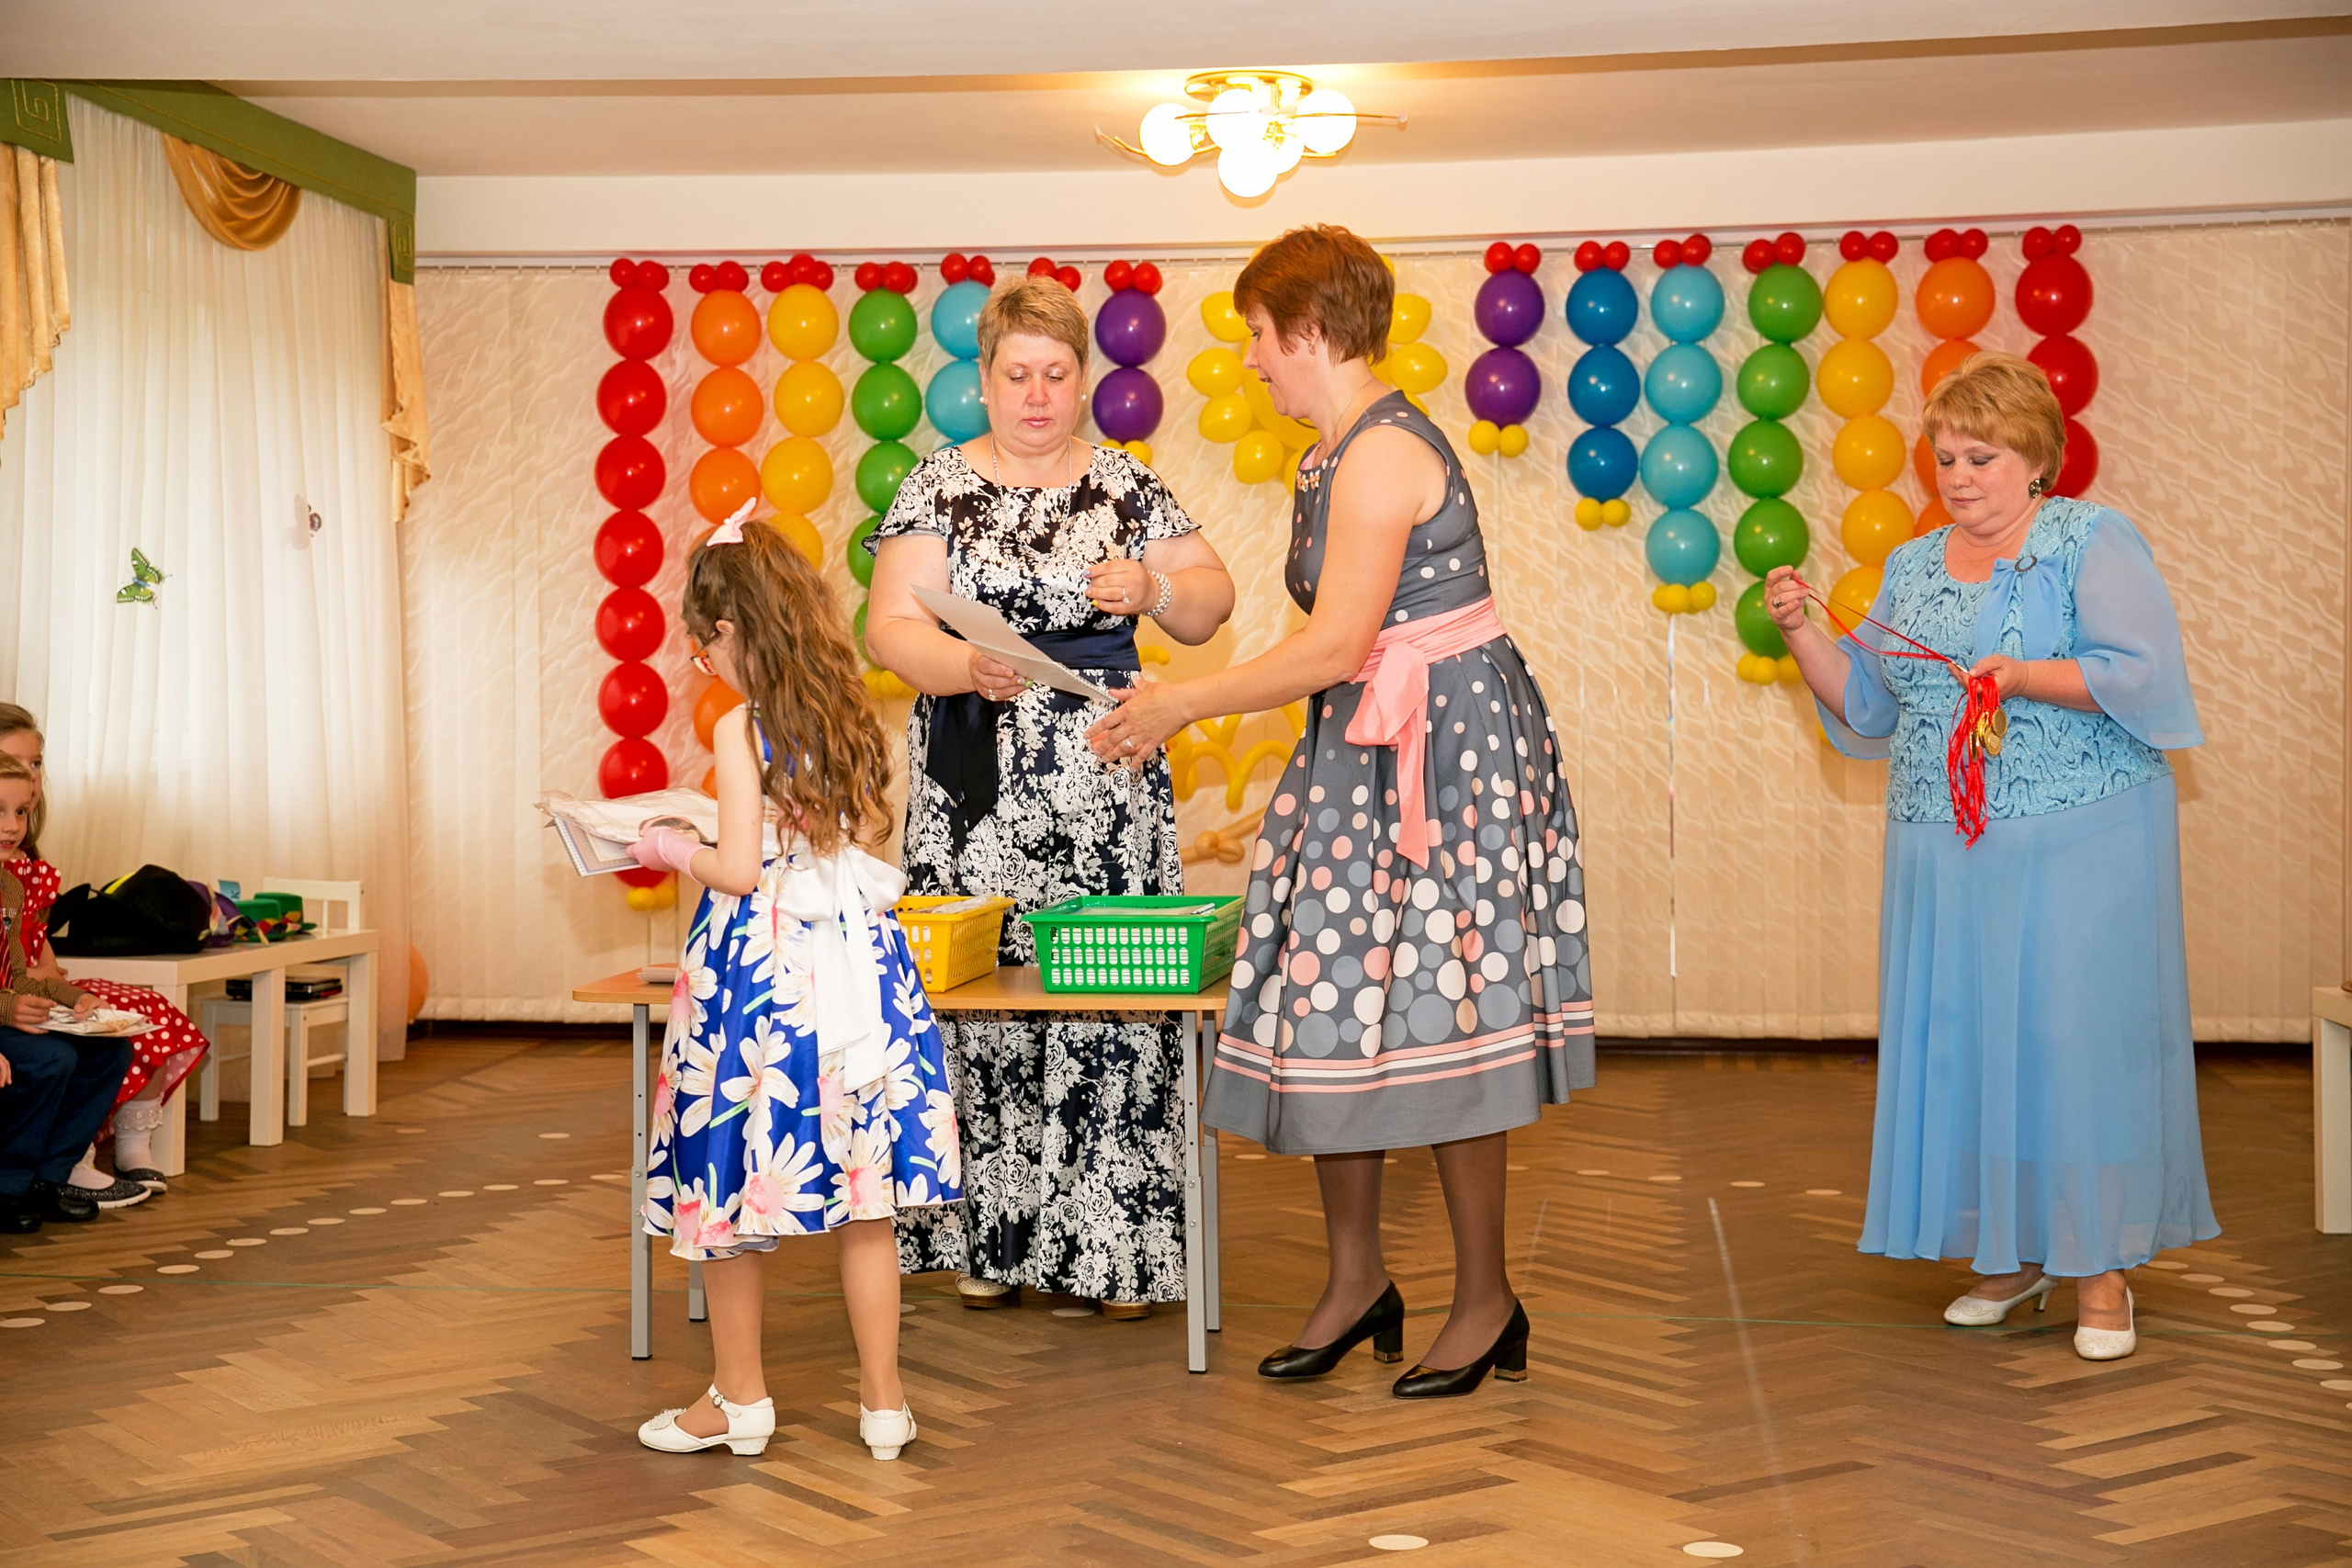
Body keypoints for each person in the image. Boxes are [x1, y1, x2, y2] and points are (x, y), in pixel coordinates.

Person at [1086, 225, 1594, 1397]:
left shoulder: (1377, 456)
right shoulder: (1325, 458)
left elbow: (1337, 642)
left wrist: (1182, 705)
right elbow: (1335, 652)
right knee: (1331, 997)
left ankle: (1485, 1299)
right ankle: (1356, 1278)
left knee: (1447, 1012)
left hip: (1443, 759)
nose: (1253, 362)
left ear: (1306, 332)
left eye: (1260, 339)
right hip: (1361, 745)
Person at [1764, 350, 2215, 1361]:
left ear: (2035, 458)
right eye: (1945, 458)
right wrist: (1800, 633)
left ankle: (2099, 1271)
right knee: (1971, 1044)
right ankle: (2011, 1254)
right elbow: (1870, 707)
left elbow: (2140, 674)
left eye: (1980, 457)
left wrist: (2023, 675)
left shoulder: (2086, 540)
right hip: (1944, 844)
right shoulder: (1912, 566)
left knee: (2071, 1043)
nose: (1958, 476)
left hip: (2080, 839)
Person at [865, 274, 1235, 1318]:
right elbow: (888, 628)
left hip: (1107, 782)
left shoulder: (1127, 483)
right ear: (983, 381)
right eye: (1016, 375)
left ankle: (1111, 1253)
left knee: (1109, 986)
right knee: (982, 996)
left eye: (1055, 375)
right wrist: (953, 667)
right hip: (977, 783)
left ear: (1084, 385)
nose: (1035, 395)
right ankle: (992, 1240)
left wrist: (1157, 592)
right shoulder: (935, 485)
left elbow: (1213, 603)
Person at [630, 515, 961, 1461]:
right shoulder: (850, 709)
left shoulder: (743, 726)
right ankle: (885, 1404)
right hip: (858, 964)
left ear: (735, 630)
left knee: (730, 1184)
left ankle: (739, 1400)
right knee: (867, 1200)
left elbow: (738, 868)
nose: (706, 664)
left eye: (706, 646)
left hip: (762, 977)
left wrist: (668, 846)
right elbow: (844, 836)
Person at [0, 704, 208, 1201]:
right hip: (10, 1001)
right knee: (57, 1055)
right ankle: (41, 1172)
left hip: (25, 990)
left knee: (129, 1023)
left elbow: (32, 953)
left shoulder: (18, 867)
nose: (30, 775)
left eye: (37, 764)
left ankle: (89, 1158)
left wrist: (64, 995)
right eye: (15, 761)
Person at [0, 751, 122, 1233]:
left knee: (108, 1051)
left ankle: (46, 1179)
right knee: (53, 1060)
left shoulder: (11, 888)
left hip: (5, 1015)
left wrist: (77, 1000)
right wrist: (9, 1007)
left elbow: (19, 972)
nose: (11, 826)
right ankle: (8, 1183)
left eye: (21, 812)